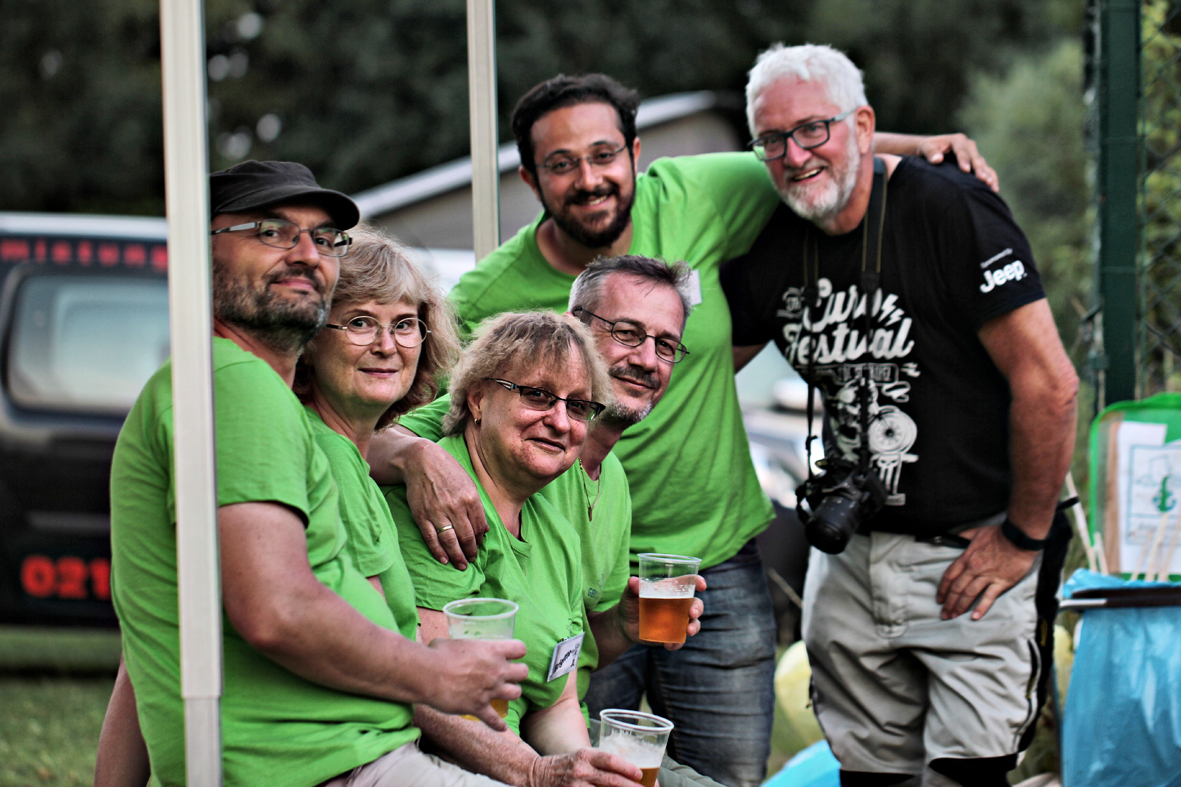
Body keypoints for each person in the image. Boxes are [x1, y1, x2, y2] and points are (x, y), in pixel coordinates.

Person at [371, 73, 998, 787]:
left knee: (719, 769)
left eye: (603, 154)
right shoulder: (489, 305)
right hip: (566, 615)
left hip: (703, 561)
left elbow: (800, 150)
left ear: (635, 154)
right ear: (530, 177)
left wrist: (924, 145)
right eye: (561, 162)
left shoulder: (691, 195)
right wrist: (415, 456)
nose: (589, 178)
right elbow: (390, 423)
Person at [719, 44, 1079, 787]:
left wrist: (1023, 537)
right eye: (772, 139)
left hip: (972, 553)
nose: (794, 155)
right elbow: (697, 369)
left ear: (862, 124)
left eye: (813, 129)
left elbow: (1049, 385)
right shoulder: (770, 235)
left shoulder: (948, 208)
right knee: (867, 774)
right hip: (849, 556)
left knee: (967, 774)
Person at [102, 160, 526, 787]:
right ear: (199, 252)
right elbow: (275, 610)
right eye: (271, 231)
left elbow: (142, 653)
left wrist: (406, 452)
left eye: (324, 238)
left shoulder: (253, 399)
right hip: (326, 767)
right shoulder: (236, 382)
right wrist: (435, 672)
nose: (306, 253)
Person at [385, 310, 658, 787]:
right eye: (537, 395)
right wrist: (537, 773)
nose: (560, 421)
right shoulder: (438, 505)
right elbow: (434, 696)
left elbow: (557, 703)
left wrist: (585, 772)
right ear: (477, 399)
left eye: (578, 406)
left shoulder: (557, 532)